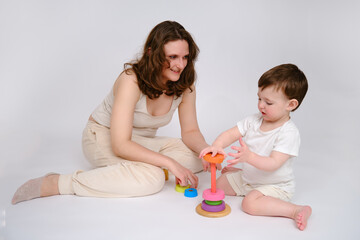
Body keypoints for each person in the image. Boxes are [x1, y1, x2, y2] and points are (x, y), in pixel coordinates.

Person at [12, 20, 213, 204]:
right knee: (153, 179)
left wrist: (206, 151)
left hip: (141, 141)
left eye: (185, 57)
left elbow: (190, 132)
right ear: (153, 53)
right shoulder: (131, 80)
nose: (180, 65)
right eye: (172, 57)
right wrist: (169, 163)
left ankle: (148, 167)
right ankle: (59, 183)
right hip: (104, 136)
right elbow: (121, 145)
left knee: (195, 158)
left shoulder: (185, 84)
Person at [199, 64, 312, 231]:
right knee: (220, 184)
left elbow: (273, 163)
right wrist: (216, 146)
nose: (261, 106)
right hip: (249, 180)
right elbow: (231, 134)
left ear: (291, 104)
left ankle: (295, 210)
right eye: (259, 98)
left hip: (275, 186)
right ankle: (241, 175)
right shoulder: (253, 120)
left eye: (269, 102)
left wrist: (249, 157)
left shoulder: (288, 133)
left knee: (249, 204)